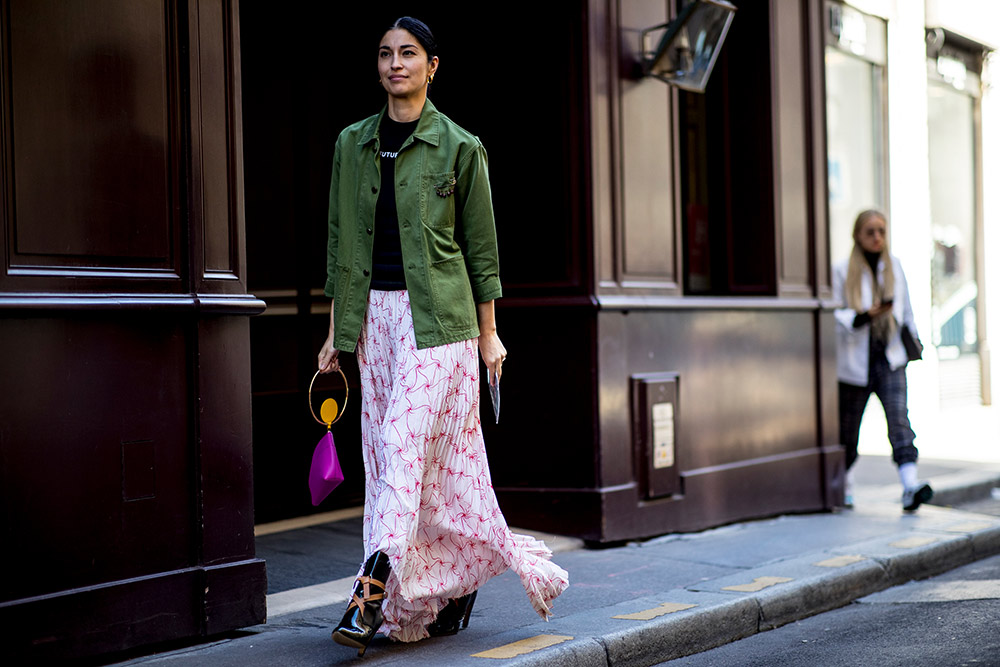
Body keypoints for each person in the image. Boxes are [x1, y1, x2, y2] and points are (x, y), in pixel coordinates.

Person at [317, 16, 569, 657]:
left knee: (402, 448)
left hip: (443, 327)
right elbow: (342, 246)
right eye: (384, 54)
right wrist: (334, 336)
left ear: (433, 66)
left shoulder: (461, 146)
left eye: (408, 53)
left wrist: (490, 336)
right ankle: (453, 585)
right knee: (400, 468)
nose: (394, 63)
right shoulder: (352, 143)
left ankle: (370, 591)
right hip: (376, 324)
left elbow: (481, 253)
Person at [833, 209, 933, 511]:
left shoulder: (895, 266)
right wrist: (864, 316)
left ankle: (909, 486)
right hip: (854, 362)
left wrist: (914, 342)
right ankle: (844, 486)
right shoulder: (841, 269)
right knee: (848, 431)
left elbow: (907, 311)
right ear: (858, 236)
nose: (877, 237)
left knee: (899, 421)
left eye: (882, 231)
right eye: (870, 232)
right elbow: (835, 314)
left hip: (890, 359)